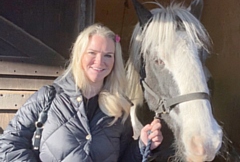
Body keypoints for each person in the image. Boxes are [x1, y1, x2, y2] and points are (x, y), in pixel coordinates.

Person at [0, 23, 163, 161]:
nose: (100, 61)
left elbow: (123, 157)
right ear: (79, 55)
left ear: (115, 61)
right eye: (92, 53)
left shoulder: (119, 109)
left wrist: (142, 144)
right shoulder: (48, 98)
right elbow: (8, 145)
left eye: (108, 55)